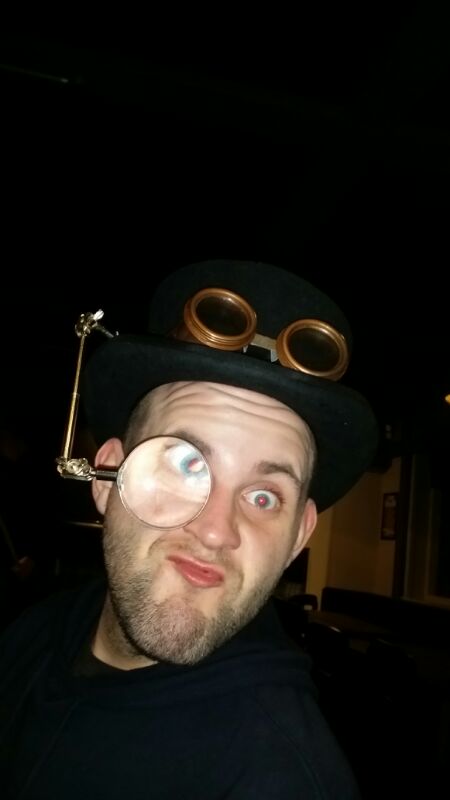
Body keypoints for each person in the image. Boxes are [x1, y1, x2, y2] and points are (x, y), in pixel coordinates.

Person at [0, 259, 378, 798]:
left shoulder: (280, 779)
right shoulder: (29, 634)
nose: (217, 531)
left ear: (298, 535)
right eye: (184, 464)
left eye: (263, 497)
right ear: (107, 478)